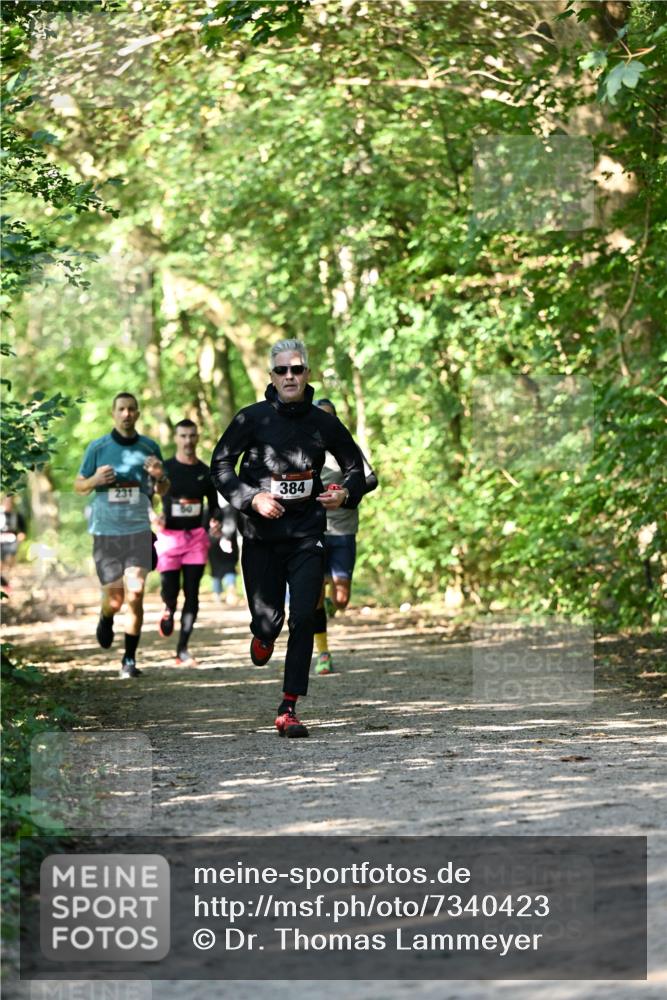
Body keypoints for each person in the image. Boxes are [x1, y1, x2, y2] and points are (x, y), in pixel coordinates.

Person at [211, 338, 366, 738]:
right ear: (272, 376)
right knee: (269, 623)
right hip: (261, 537)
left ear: (307, 374)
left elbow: (356, 468)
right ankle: (262, 636)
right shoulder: (251, 419)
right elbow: (221, 464)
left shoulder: (323, 423)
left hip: (306, 535)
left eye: (297, 369)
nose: (290, 376)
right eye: (282, 370)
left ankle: (289, 706)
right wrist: (252, 498)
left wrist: (345, 493)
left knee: (303, 617)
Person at [74, 392, 169, 678]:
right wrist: (95, 480)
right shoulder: (98, 448)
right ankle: (106, 617)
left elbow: (163, 489)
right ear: (113, 413)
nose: (126, 414)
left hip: (139, 531)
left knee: (137, 592)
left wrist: (159, 476)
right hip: (106, 533)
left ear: (138, 414)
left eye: (131, 409)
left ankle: (129, 659)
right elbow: (79, 485)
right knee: (115, 600)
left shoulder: (149, 447)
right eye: (121, 409)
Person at [312, 399, 378, 675]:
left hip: (343, 529)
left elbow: (371, 479)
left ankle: (331, 601)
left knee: (341, 597)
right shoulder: (305, 449)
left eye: (330, 418)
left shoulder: (347, 449)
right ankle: (323, 653)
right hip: (314, 530)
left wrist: (346, 494)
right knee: (315, 594)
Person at [154, 419, 221, 666]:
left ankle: (182, 648)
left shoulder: (204, 472)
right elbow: (149, 498)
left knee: (191, 593)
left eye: (192, 436)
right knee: (170, 590)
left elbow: (214, 507)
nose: (188, 441)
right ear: (176, 438)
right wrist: (155, 517)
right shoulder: (166, 469)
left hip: (195, 539)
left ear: (197, 437)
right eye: (183, 436)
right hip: (169, 538)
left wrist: (215, 520)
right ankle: (168, 608)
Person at [208, 499, 239, 605]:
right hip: (227, 541)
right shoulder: (232, 508)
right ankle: (229, 591)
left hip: (214, 543)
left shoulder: (209, 509)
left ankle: (217, 594)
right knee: (229, 568)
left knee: (216, 571)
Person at [0, 496, 27, 592]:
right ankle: (5, 582)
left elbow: (23, 529)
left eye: (10, 503)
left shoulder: (17, 515)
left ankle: (10, 579)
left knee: (10, 559)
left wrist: (21, 535)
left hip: (12, 539)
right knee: (1, 562)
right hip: (1, 539)